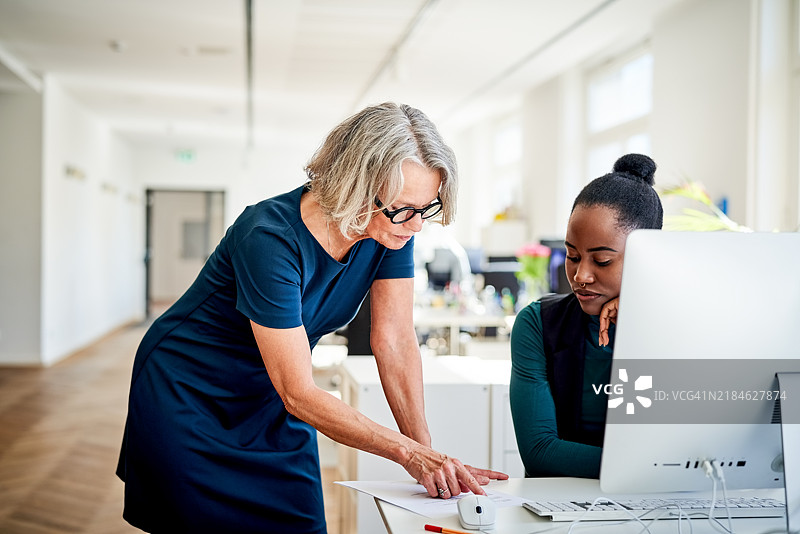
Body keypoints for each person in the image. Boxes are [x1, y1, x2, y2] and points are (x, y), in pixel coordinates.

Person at [116, 102, 507, 533]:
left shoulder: (389, 231)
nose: (414, 226)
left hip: (272, 396)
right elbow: (298, 392)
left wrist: (430, 458)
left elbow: (394, 341)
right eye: (402, 209)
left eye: (425, 209)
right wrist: (408, 454)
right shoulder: (269, 236)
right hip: (191, 392)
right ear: (355, 185)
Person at [509, 153, 663, 478]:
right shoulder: (537, 324)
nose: (581, 275)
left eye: (602, 261)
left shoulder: (675, 327)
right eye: (572, 255)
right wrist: (644, 468)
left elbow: (685, 444)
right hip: (560, 515)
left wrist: (642, 322)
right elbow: (539, 451)